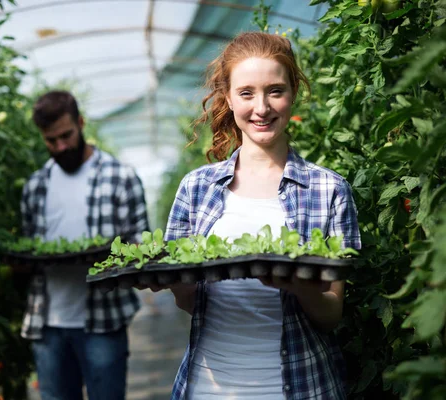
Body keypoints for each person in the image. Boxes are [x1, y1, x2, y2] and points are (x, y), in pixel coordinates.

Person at [160, 32, 361, 399]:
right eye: (247, 92)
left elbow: (331, 314)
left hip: (300, 387)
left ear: (293, 93)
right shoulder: (196, 188)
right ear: (229, 98)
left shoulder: (329, 190)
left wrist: (299, 285)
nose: (262, 108)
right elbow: (191, 302)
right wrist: (175, 280)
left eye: (275, 91)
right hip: (208, 387)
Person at [20, 90, 149, 400]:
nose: (61, 146)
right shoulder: (36, 186)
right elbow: (28, 247)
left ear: (80, 123)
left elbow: (142, 241)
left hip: (103, 319)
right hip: (48, 322)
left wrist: (117, 255)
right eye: (51, 141)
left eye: (66, 135)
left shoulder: (120, 177)